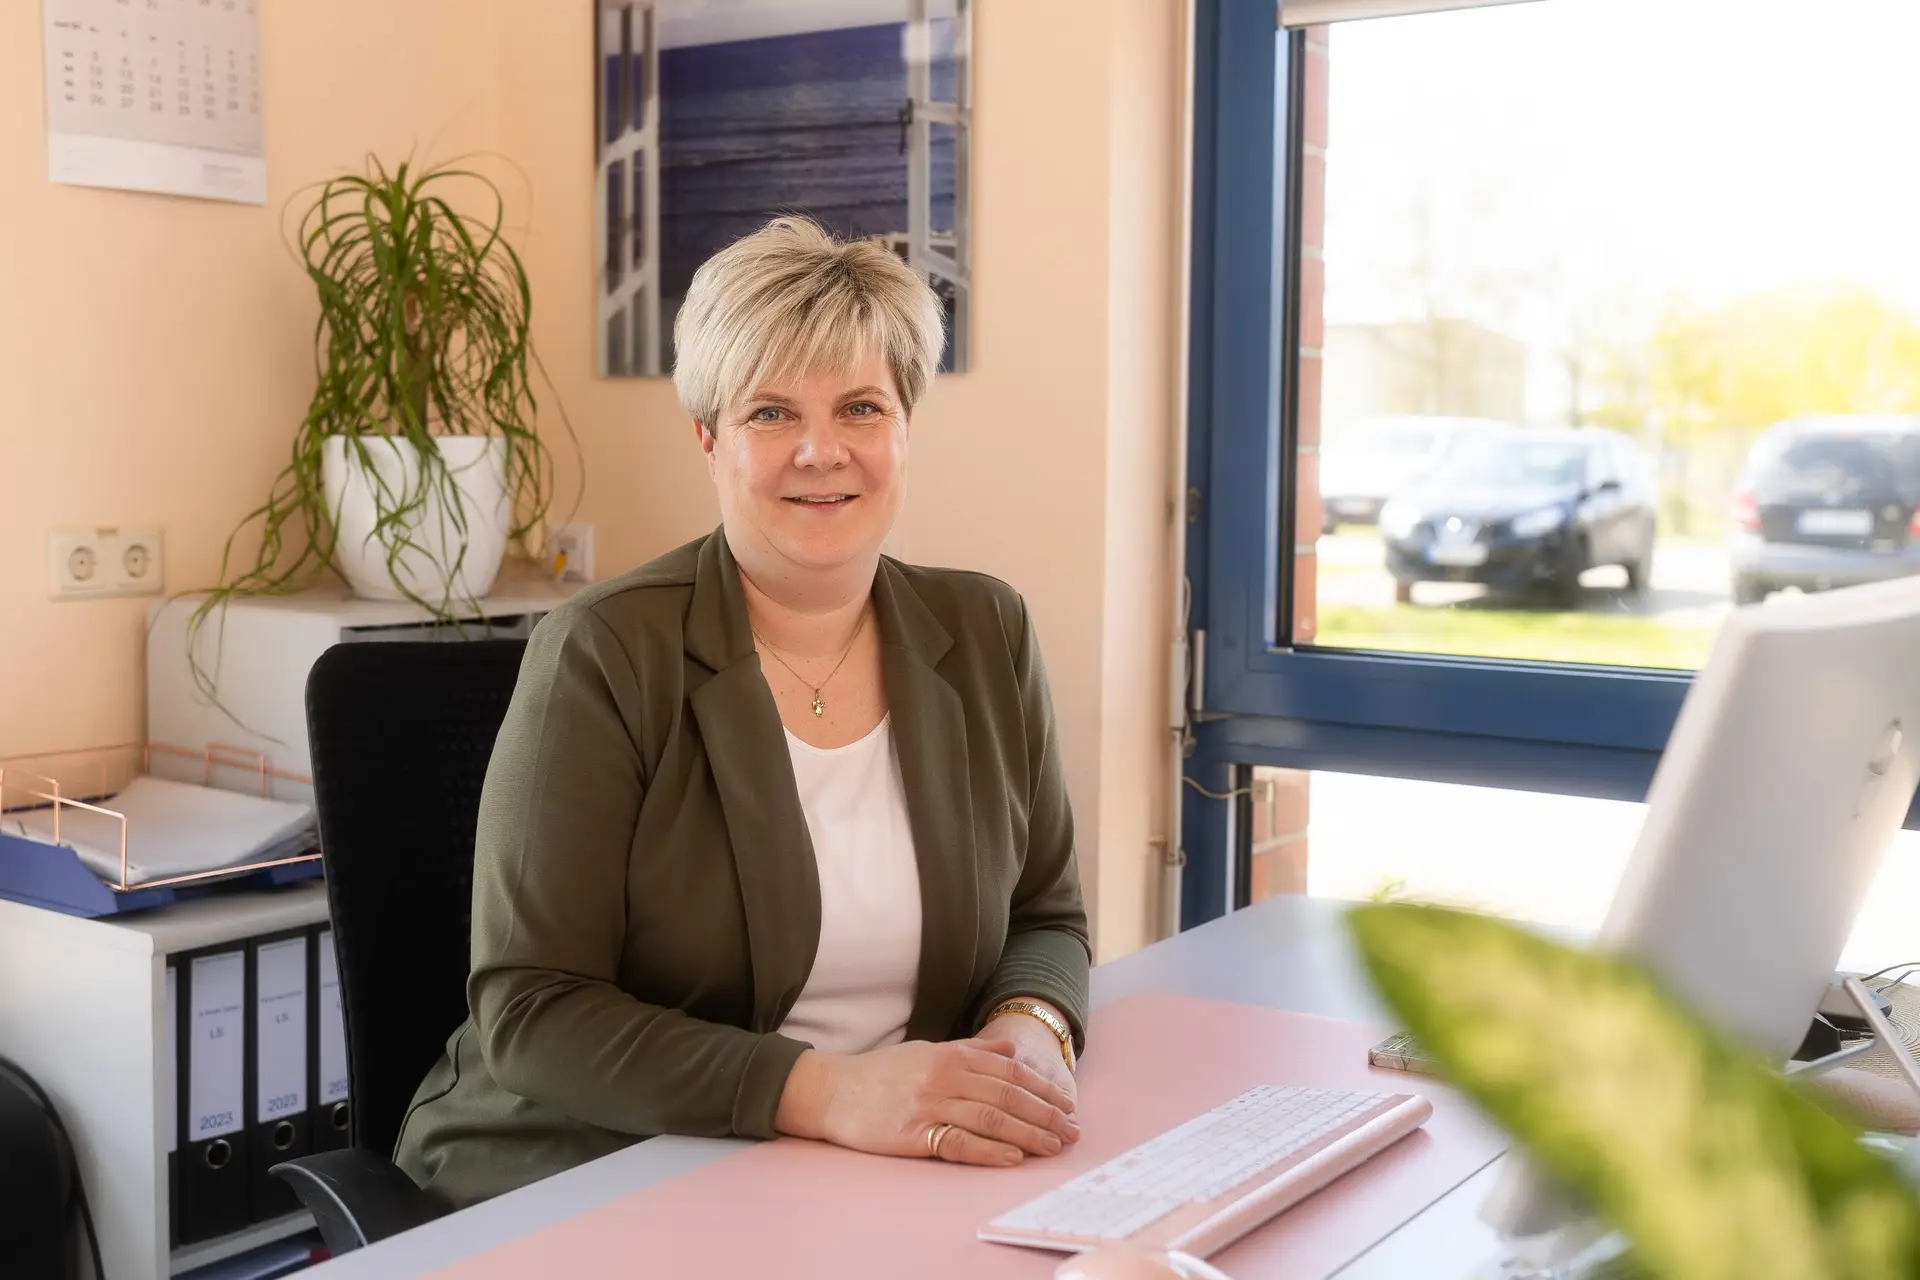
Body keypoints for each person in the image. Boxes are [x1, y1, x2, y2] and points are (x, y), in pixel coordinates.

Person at [393, 217, 1092, 1208]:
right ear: (709, 436)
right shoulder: (605, 650)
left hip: (865, 1165)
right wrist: (828, 1091)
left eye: (859, 406)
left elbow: (1045, 911)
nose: (820, 450)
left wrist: (1032, 1026)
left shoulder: (986, 630)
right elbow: (533, 1010)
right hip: (597, 1156)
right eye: (770, 412)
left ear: (904, 429)